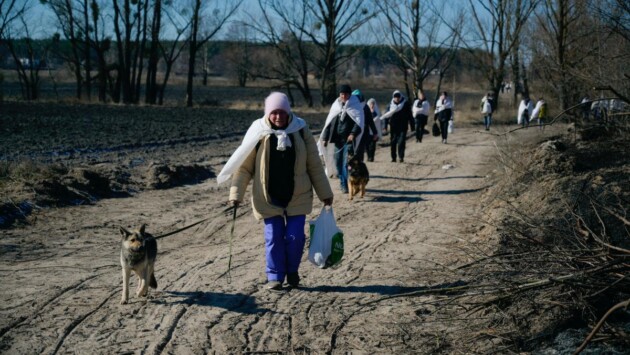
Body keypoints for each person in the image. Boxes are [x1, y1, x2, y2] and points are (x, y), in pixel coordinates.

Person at [218, 92, 334, 291]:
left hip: (297, 195)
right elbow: (244, 167)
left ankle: (292, 272)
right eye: (274, 113)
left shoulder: (300, 130)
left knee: (295, 237)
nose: (278, 117)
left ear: (288, 112)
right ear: (268, 113)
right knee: (273, 237)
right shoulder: (258, 131)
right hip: (268, 196)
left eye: (282, 112)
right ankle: (275, 276)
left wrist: (325, 193)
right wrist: (235, 195)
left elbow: (314, 164)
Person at [320, 84, 364, 194]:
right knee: (338, 163)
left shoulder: (355, 105)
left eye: (345, 94)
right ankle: (342, 181)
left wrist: (353, 134)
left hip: (349, 140)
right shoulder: (336, 105)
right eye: (341, 94)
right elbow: (329, 122)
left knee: (345, 164)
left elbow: (358, 122)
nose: (343, 96)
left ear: (349, 94)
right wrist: (325, 137)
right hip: (337, 140)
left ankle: (345, 185)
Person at [380, 90, 414, 162]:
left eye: (398, 97)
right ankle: (393, 157)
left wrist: (412, 126)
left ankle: (401, 157)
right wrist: (384, 127)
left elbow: (410, 115)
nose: (397, 98)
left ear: (400, 97)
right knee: (393, 142)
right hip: (393, 126)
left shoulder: (405, 104)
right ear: (393, 97)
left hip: (403, 126)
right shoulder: (390, 105)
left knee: (401, 142)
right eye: (395, 97)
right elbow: (386, 116)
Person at [351, 89, 379, 162]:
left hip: (363, 132)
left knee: (360, 151)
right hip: (351, 132)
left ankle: (359, 166)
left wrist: (375, 133)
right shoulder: (350, 106)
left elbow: (370, 121)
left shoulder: (365, 107)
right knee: (351, 151)